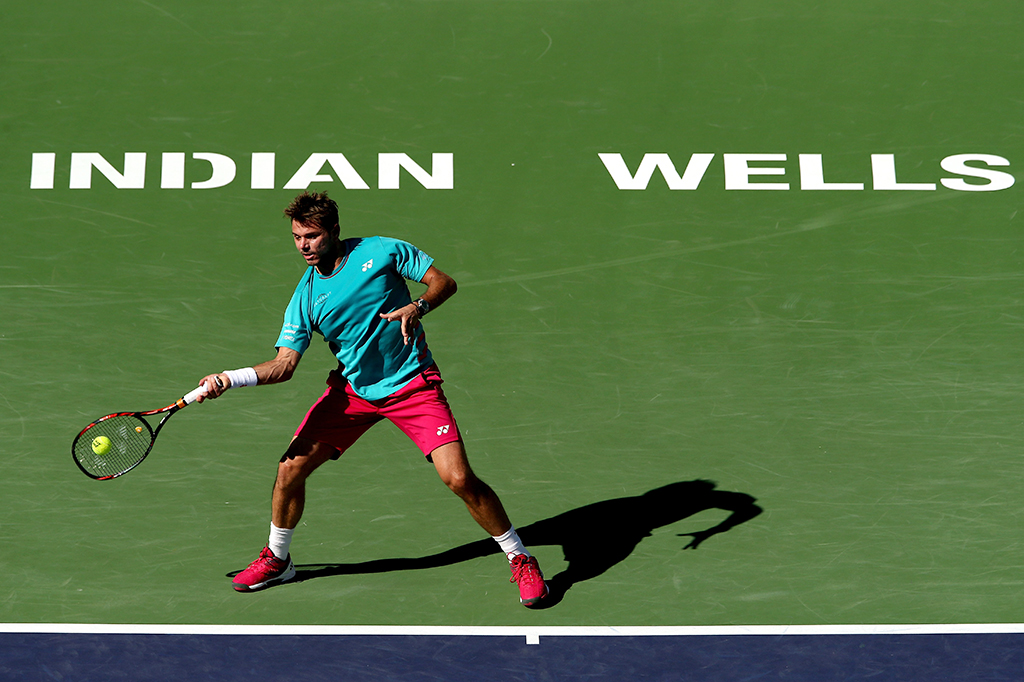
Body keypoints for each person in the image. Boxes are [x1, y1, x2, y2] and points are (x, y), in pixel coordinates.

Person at [196, 191, 548, 607]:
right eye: (296, 237)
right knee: (289, 471)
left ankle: (520, 557)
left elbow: (444, 282)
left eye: (312, 236)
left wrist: (417, 306)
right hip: (354, 393)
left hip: (412, 385)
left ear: (335, 232)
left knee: (458, 479)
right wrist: (228, 379)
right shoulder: (306, 296)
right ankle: (277, 558)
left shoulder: (381, 251)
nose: (304, 246)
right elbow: (284, 365)